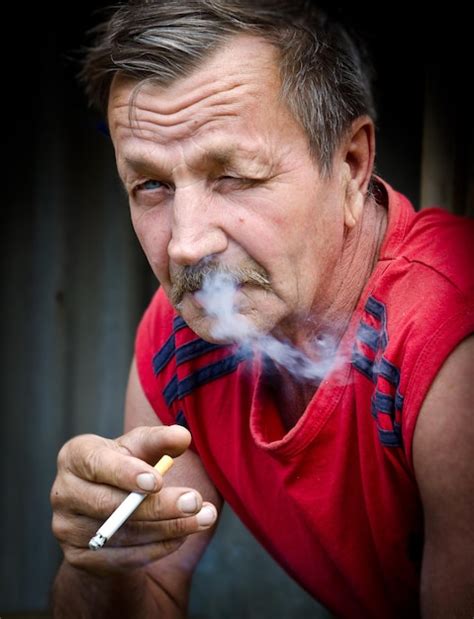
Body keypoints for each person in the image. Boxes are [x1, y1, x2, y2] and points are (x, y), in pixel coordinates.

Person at [50, 1, 474, 617]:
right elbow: (153, 594)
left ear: (352, 166)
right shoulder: (180, 339)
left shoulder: (448, 338)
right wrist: (99, 560)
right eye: (152, 186)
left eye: (235, 176)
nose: (187, 243)